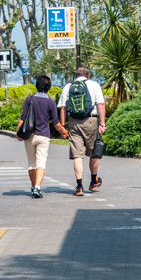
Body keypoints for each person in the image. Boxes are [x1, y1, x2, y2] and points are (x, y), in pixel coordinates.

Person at [58, 66, 107, 196]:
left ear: (76, 76)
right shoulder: (94, 85)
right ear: (88, 76)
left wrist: (63, 126)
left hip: (74, 122)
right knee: (94, 153)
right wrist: (102, 123)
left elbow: (63, 108)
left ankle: (79, 186)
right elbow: (100, 104)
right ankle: (93, 182)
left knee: (77, 155)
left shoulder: (68, 86)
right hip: (91, 121)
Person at [16, 75, 67, 199]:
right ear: (49, 87)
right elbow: (55, 122)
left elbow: (23, 117)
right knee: (41, 163)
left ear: (37, 86)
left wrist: (18, 132)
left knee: (31, 164)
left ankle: (33, 186)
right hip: (43, 136)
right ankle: (38, 187)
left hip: (29, 135)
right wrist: (63, 131)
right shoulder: (50, 102)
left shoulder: (30, 99)